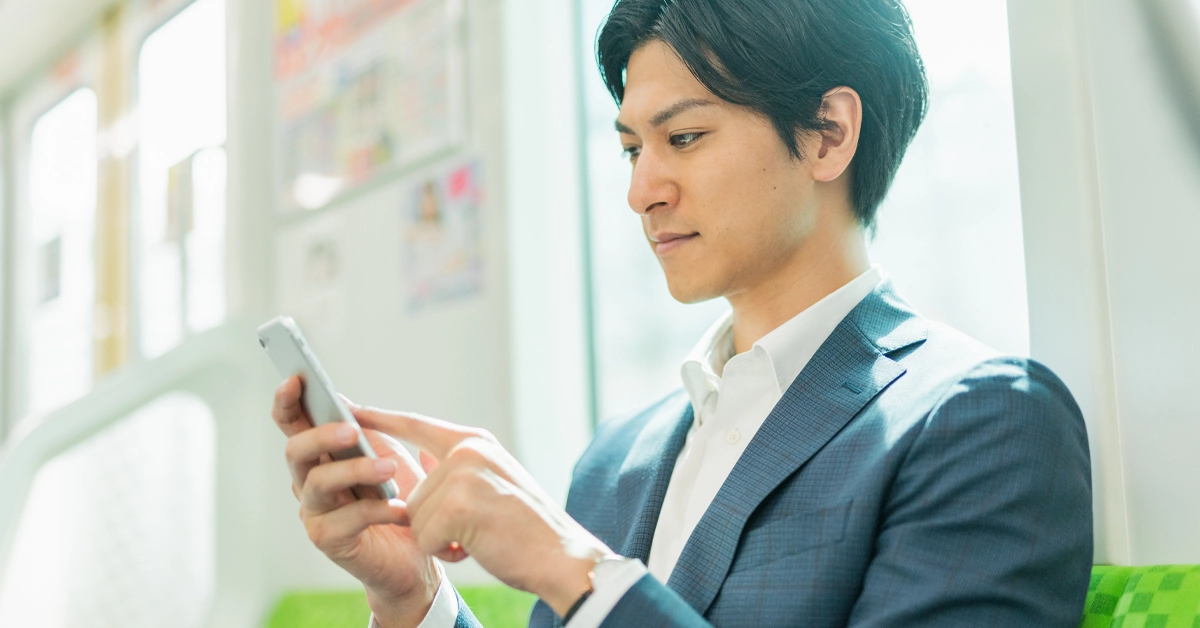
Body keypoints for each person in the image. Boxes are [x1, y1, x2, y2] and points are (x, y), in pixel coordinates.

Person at [269, 0, 1094, 626]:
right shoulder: (616, 460)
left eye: (685, 138)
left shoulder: (982, 421)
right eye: (632, 148)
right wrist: (415, 595)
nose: (640, 191)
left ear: (828, 134)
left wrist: (577, 572)